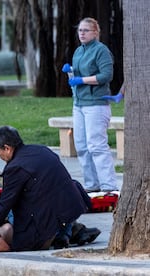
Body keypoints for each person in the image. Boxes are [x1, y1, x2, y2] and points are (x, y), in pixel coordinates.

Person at [0, 126, 92, 252]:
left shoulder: (14, 168)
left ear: (7, 148)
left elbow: (4, 205)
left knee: (13, 219)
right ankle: (67, 233)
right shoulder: (41, 149)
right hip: (71, 206)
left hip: (48, 219)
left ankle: (62, 233)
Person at [62, 17, 118, 193]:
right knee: (82, 146)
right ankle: (92, 184)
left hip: (96, 104)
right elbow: (75, 79)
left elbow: (106, 76)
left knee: (96, 145)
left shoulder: (101, 51)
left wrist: (82, 79)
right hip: (79, 104)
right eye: (80, 30)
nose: (82, 33)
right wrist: (70, 72)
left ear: (95, 32)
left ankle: (109, 187)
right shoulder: (78, 51)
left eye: (86, 30)